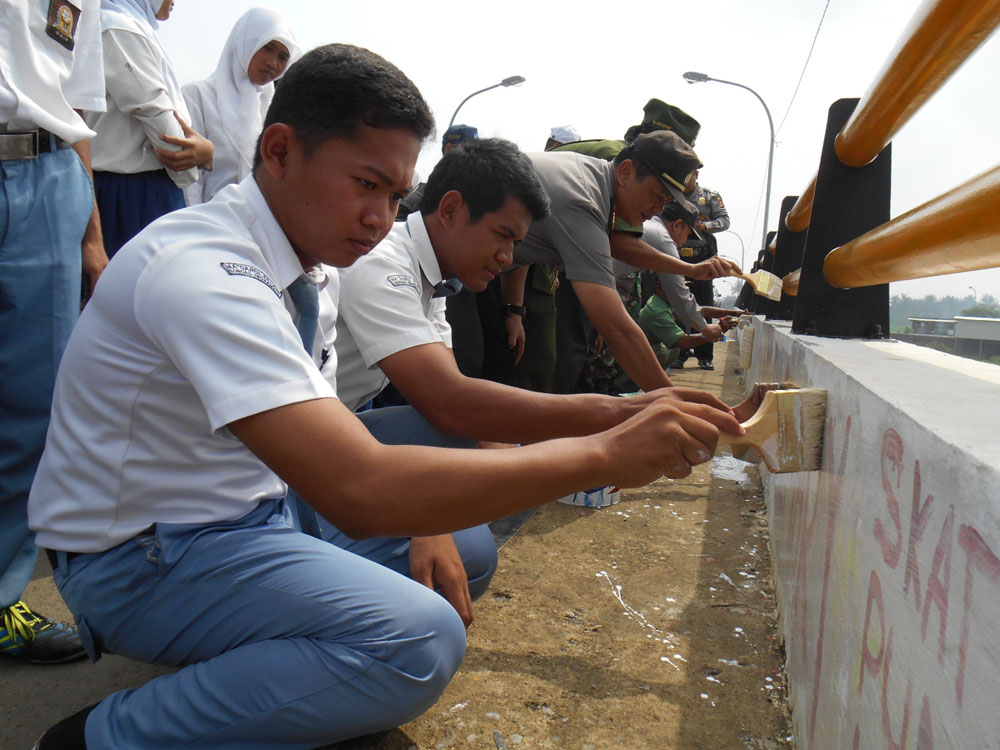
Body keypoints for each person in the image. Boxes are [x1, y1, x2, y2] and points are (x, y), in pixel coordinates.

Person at [29, 44, 743, 749]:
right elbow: (366, 481)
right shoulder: (206, 271)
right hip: (142, 557)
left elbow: (339, 427)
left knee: (461, 550)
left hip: (246, 512)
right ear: (278, 151)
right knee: (418, 642)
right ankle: (106, 736)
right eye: (365, 184)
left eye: (397, 196)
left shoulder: (314, 270)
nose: (380, 215)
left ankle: (257, 676)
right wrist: (604, 452)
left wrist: (622, 410)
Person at [0, 0, 107, 665]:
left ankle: (2, 600)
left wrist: (92, 239)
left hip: (49, 175)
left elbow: (81, 113)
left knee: (33, 409)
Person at [87, 0, 215, 258]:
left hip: (142, 186)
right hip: (132, 192)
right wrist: (202, 156)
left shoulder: (134, 26)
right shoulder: (119, 28)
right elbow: (157, 115)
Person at [182, 6, 300, 204]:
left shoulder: (274, 109)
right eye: (267, 48)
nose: (273, 63)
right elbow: (189, 179)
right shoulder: (198, 96)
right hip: (207, 220)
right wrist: (189, 226)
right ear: (246, 43)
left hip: (255, 224)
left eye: (282, 57)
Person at [673, 172, 731, 370]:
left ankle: (705, 355)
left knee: (705, 303)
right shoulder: (671, 193)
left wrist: (704, 226)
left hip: (703, 256)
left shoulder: (710, 196)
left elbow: (724, 221)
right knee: (677, 303)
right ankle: (679, 353)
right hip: (677, 255)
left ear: (696, 174)